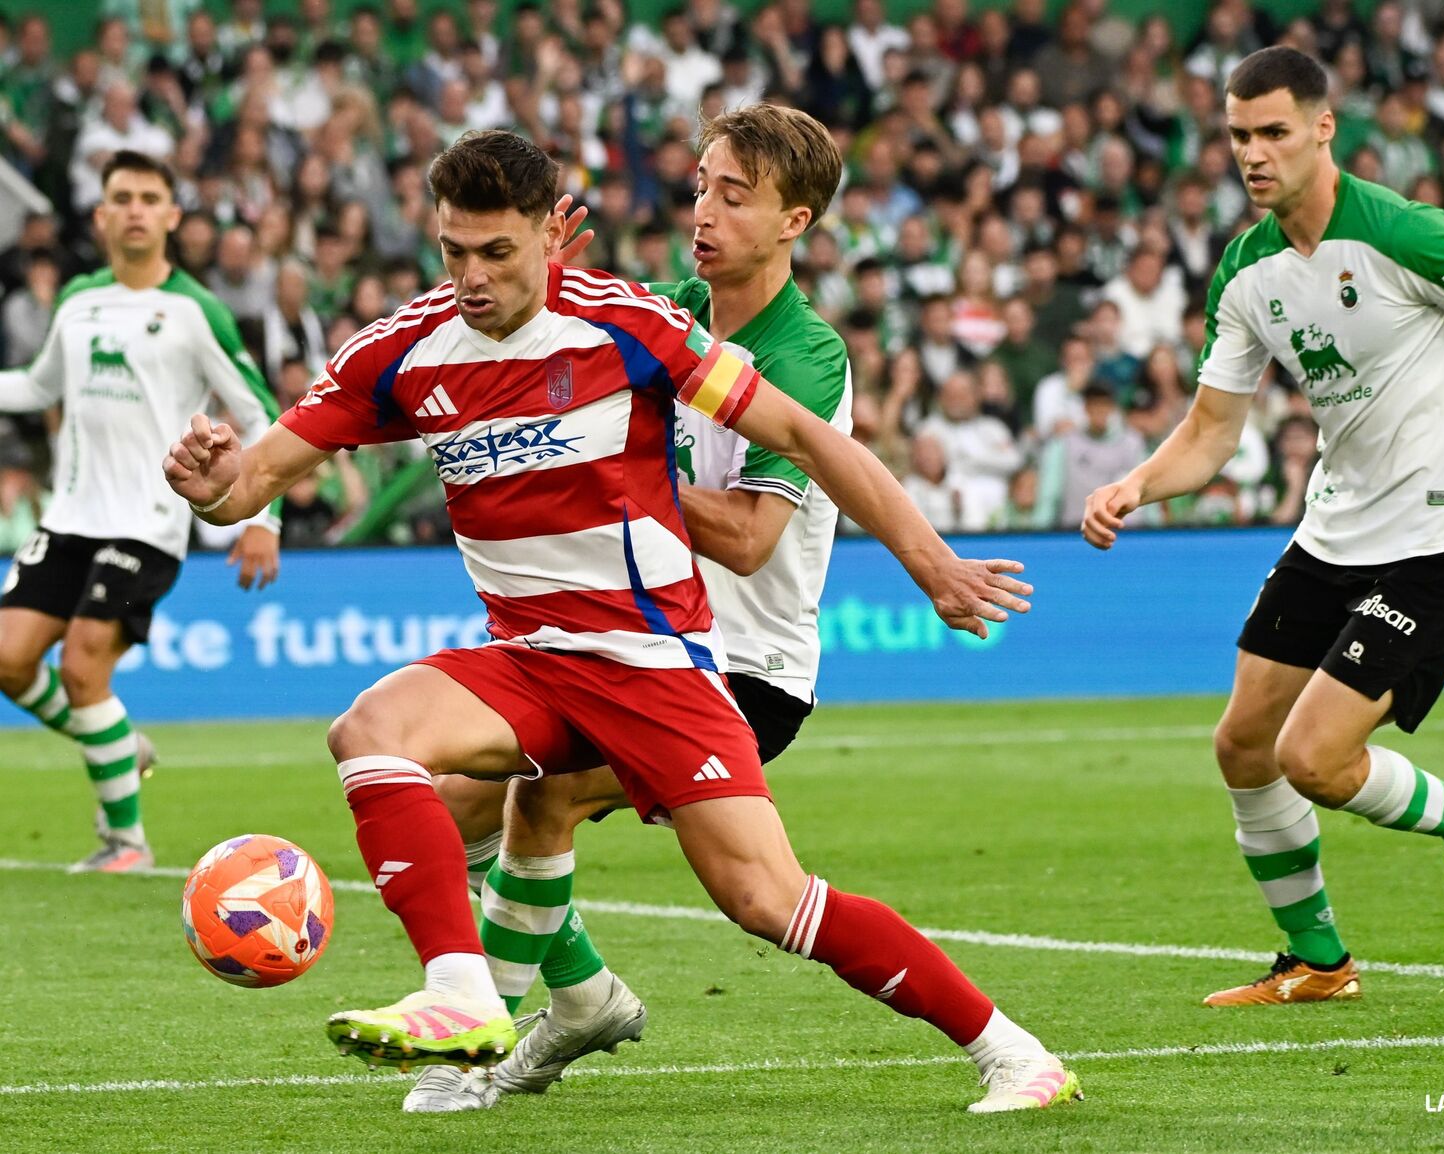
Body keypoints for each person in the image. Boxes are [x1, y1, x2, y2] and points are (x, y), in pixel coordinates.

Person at [163, 129, 1081, 1115]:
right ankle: (462, 995)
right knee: (371, 731)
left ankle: (1011, 1050)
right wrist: (214, 486)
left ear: (547, 237)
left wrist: (933, 565)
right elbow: (250, 480)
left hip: (655, 664)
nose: (471, 278)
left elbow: (802, 438)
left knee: (765, 898)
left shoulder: (630, 327)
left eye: (497, 252)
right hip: (531, 657)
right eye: (453, 251)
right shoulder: (402, 350)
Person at [1082, 48, 1444, 1007]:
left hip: (1437, 541)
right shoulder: (1246, 270)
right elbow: (1212, 432)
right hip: (1331, 535)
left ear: (1322, 129)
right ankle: (1319, 961)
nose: (1253, 154)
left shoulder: (1403, 231)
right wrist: (1137, 484)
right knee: (1243, 744)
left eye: (1272, 133)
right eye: (1238, 136)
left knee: (1313, 758)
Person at [408, 105, 861, 1114]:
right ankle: (577, 997)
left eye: (733, 195)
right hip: (630, 649)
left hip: (741, 670)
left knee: (550, 802)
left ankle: (477, 1045)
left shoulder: (805, 356)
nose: (703, 211)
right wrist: (540, 291)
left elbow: (749, 536)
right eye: (700, 187)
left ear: (794, 222)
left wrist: (611, 470)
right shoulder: (671, 308)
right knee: (452, 798)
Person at [0, 151, 281, 874]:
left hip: (149, 523)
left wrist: (263, 518)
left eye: (149, 198)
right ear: (100, 215)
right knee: (8, 659)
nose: (134, 209)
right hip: (69, 518)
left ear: (171, 215)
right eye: (121, 197)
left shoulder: (195, 310)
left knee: (83, 667)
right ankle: (120, 743)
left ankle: (125, 843)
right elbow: (37, 387)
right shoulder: (78, 300)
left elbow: (260, 411)